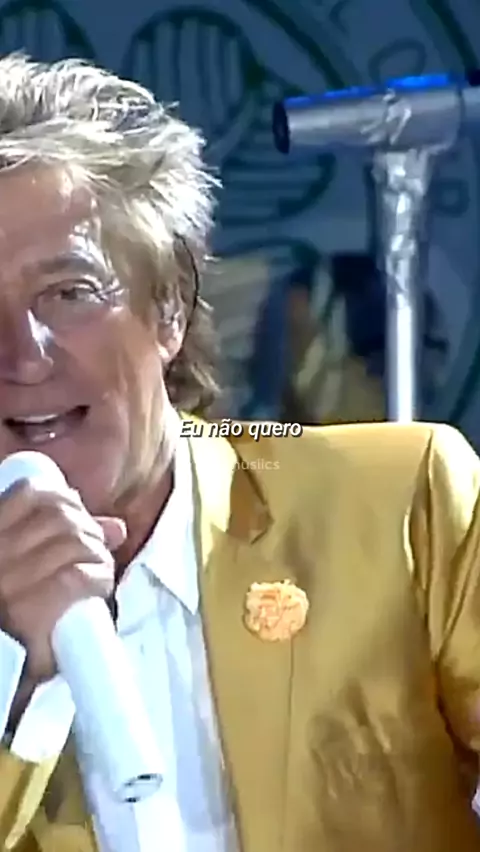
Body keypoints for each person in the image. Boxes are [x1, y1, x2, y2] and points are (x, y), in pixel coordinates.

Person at [0, 54, 479, 852]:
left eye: (69, 293)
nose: (22, 355)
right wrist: (16, 679)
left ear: (169, 309)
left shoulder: (406, 503)